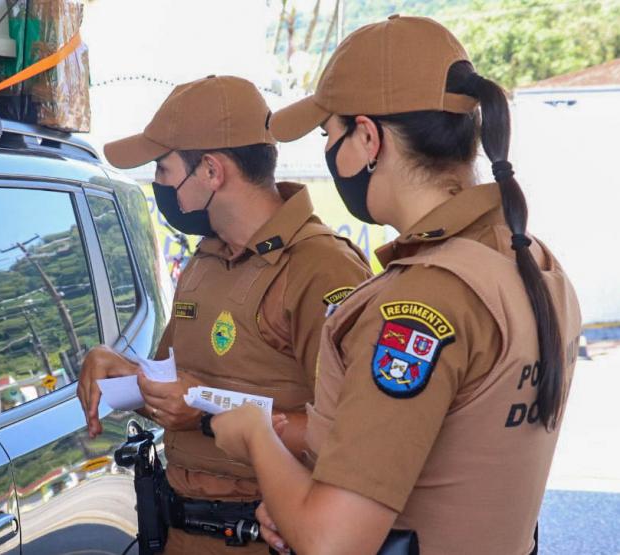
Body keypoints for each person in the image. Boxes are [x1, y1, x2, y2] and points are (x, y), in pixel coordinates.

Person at [211, 15, 581, 555]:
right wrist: (296, 500)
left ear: (367, 138)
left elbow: (333, 543)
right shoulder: (531, 262)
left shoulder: (421, 301)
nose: (329, 157)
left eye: (328, 136)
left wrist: (253, 435)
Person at [76, 75, 372, 554]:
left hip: (267, 532)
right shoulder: (206, 258)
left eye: (163, 168)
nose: (158, 185)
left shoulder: (322, 268)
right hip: (182, 529)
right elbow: (179, 385)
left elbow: (353, 435)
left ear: (212, 171)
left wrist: (206, 409)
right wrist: (124, 371)